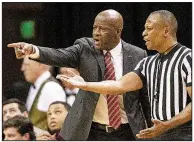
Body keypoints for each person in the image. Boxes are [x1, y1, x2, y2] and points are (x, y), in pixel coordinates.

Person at [8, 9, 151, 140]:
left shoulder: (138, 54)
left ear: (118, 31)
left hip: (129, 130)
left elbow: (144, 97)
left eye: (102, 29)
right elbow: (59, 55)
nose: (96, 33)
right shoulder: (84, 48)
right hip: (93, 131)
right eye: (95, 27)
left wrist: (152, 129)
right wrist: (33, 50)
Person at [57, 10, 192, 141]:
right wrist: (85, 85)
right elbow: (119, 85)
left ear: (166, 31)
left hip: (184, 134)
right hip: (159, 134)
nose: (144, 34)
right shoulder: (147, 62)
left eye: (149, 28)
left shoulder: (188, 58)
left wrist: (168, 125)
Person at [20, 56, 66, 132]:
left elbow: (60, 123)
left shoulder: (51, 87)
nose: (22, 68)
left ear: (41, 65)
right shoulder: (36, 86)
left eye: (27, 65)